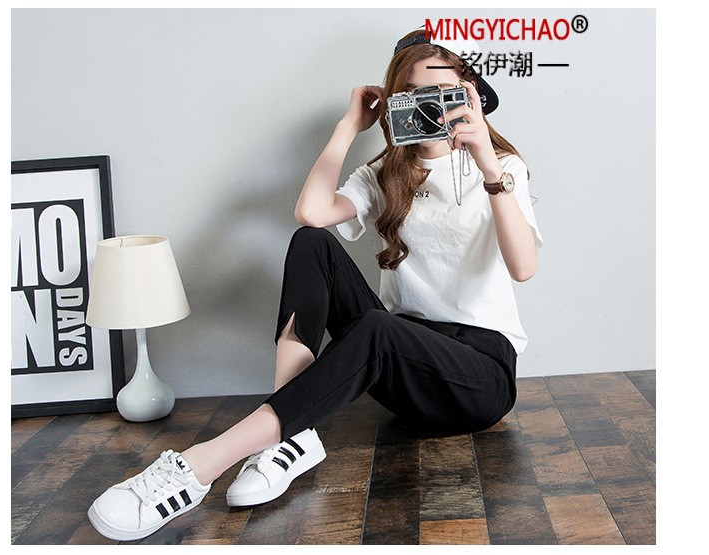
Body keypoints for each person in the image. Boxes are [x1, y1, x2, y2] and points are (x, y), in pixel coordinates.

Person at [87, 29, 543, 542]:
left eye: (445, 92)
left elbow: (523, 267)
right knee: (311, 243)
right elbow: (311, 212)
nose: (433, 106)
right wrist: (348, 127)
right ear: (397, 103)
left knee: (377, 329)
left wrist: (487, 166)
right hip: (402, 367)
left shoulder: (502, 168)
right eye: (416, 95)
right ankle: (290, 435)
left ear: (470, 95)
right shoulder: (385, 174)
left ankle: (197, 467)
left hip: (477, 376)